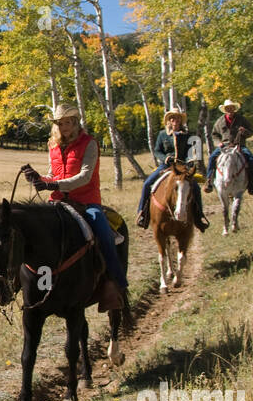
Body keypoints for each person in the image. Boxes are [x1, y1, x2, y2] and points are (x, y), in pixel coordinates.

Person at [22, 101, 128, 311]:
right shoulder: (52, 146)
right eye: (60, 123)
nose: (64, 127)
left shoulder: (89, 144)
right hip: (57, 202)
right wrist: (38, 178)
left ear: (76, 122)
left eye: (68, 122)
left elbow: (85, 177)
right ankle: (23, 282)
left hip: (86, 201)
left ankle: (116, 284)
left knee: (103, 231)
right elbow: (52, 175)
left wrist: (52, 184)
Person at [135, 109, 209, 231]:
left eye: (177, 118)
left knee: (195, 188)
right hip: (166, 166)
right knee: (147, 184)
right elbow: (157, 151)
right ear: (169, 121)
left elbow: (190, 151)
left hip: (182, 166)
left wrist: (189, 160)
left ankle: (199, 217)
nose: (175, 120)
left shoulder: (187, 135)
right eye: (172, 118)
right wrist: (165, 158)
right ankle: (143, 214)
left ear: (180, 120)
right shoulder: (162, 134)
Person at [204, 100, 253, 194]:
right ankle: (209, 181)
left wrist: (244, 131)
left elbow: (251, 131)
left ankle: (251, 183)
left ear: (234, 109)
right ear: (225, 109)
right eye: (227, 108)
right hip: (224, 146)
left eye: (231, 108)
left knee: (251, 159)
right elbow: (214, 135)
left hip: (239, 145)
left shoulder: (242, 119)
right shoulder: (220, 121)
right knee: (212, 158)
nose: (230, 110)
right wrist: (218, 143)